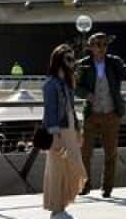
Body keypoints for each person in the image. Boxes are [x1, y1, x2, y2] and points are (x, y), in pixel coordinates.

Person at [74, 33, 126, 199]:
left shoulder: (114, 61)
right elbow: (74, 86)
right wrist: (87, 94)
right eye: (98, 44)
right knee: (85, 152)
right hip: (91, 114)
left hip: (111, 113)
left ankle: (107, 188)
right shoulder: (83, 65)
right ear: (91, 47)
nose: (102, 48)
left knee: (111, 153)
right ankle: (85, 185)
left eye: (104, 44)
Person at [42, 44, 86, 219]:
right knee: (57, 169)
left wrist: (78, 129)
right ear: (59, 60)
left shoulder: (66, 83)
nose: (71, 62)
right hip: (57, 131)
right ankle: (56, 209)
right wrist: (55, 136)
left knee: (73, 167)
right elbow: (50, 112)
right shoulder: (50, 84)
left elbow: (71, 109)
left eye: (73, 59)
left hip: (69, 129)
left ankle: (62, 205)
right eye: (68, 59)